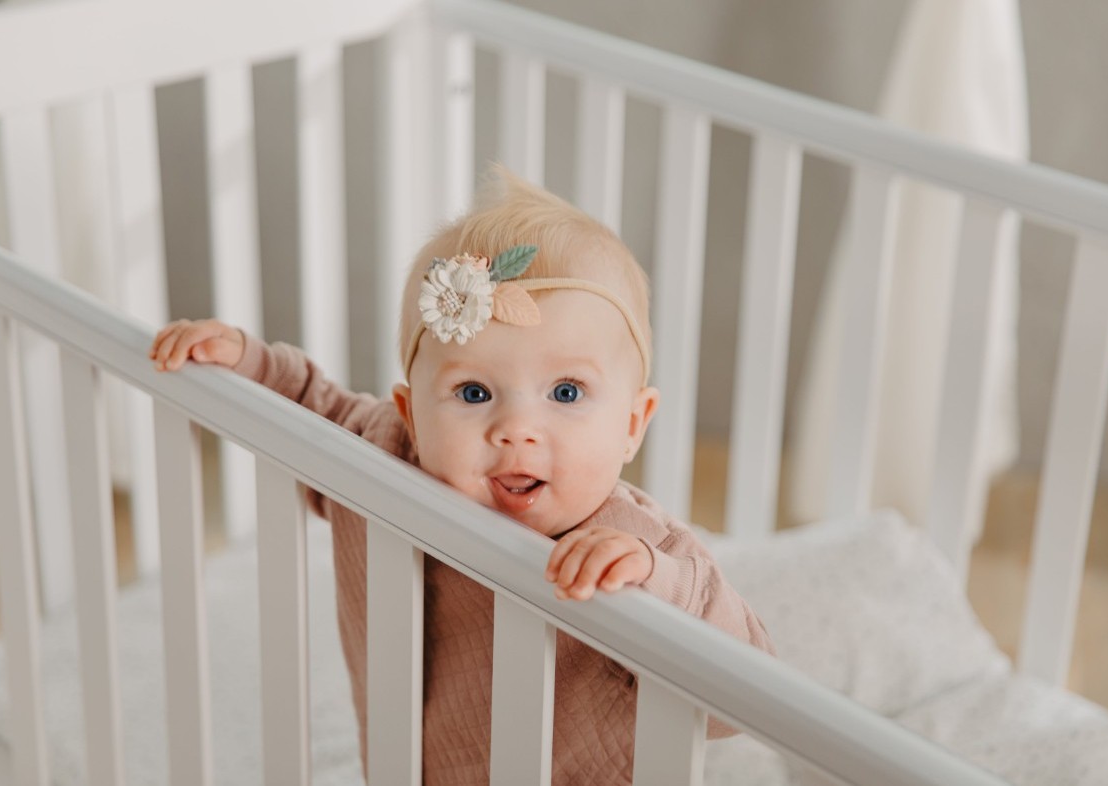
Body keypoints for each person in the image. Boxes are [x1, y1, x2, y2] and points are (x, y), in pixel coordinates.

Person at [149, 169, 774, 785]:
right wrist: (243, 363)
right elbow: (312, 408)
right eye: (474, 391)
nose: (516, 428)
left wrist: (655, 585)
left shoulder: (634, 550)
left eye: (566, 390)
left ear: (633, 423)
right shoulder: (384, 461)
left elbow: (745, 689)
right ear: (412, 417)